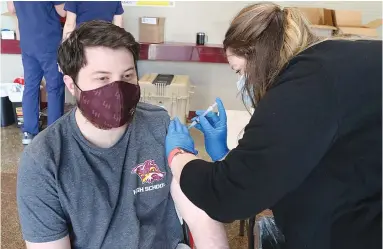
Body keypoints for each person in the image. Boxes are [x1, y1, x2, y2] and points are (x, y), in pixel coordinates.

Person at [165, 3, 382, 249]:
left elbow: (229, 197)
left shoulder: (306, 86)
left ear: (257, 58)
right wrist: (228, 157)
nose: (241, 83)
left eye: (239, 72)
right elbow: (282, 167)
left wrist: (179, 156)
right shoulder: (331, 60)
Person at [17, 20, 229, 249]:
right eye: (102, 78)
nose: (117, 91)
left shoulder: (158, 125)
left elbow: (200, 216)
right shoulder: (44, 160)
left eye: (127, 76)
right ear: (71, 84)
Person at [7, 1, 66, 145]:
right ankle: (52, 134)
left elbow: (11, 8)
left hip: (27, 42)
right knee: (54, 87)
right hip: (48, 42)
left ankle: (29, 131)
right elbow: (63, 12)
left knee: (31, 86)